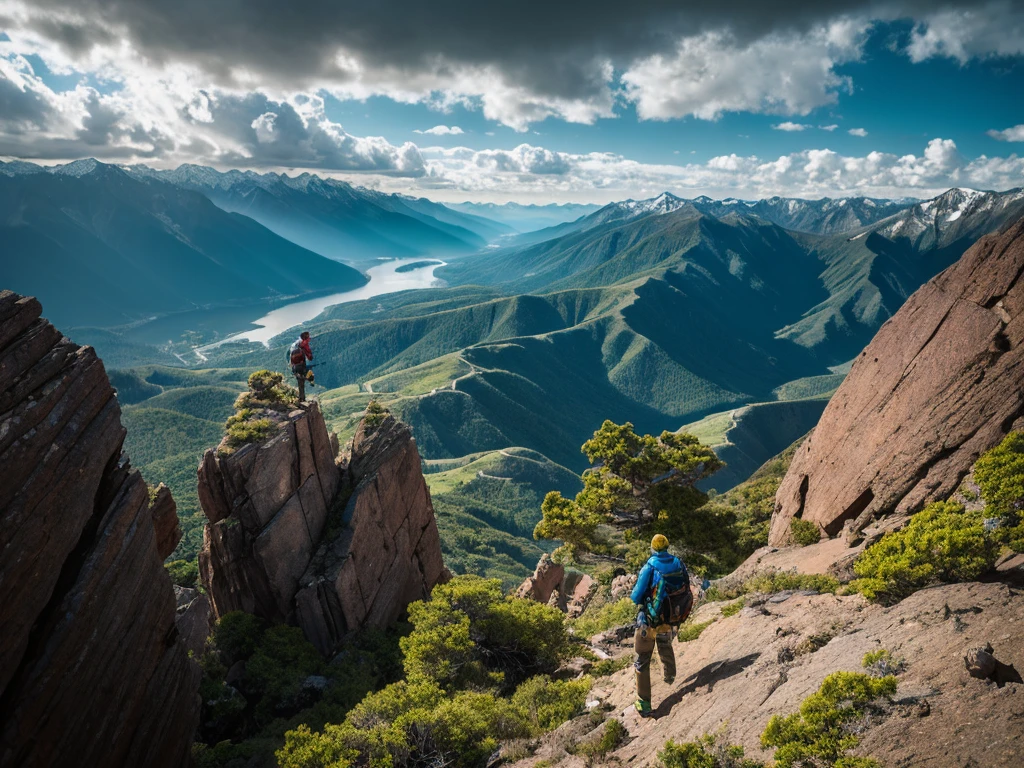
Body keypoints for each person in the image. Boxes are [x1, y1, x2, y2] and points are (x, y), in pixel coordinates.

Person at [630, 533, 688, 717]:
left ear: (652, 548)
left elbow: (636, 597)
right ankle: (670, 675)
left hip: (650, 620)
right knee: (665, 643)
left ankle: (644, 703)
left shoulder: (649, 567)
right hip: (671, 617)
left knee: (642, 660)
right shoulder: (678, 563)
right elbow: (686, 587)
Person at [288, 331, 313, 402]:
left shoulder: (295, 345)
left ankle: (301, 398)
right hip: (300, 366)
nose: (309, 339)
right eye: (308, 338)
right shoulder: (302, 347)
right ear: (305, 339)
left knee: (301, 381)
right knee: (307, 378)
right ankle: (302, 398)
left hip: (295, 366)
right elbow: (310, 357)